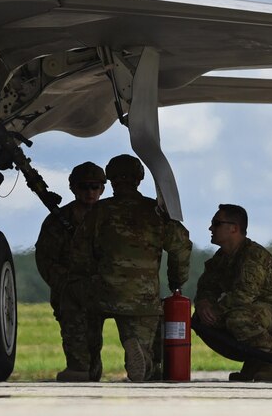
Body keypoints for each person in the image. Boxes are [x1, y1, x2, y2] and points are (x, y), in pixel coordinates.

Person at [68, 154, 192, 382]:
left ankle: (87, 365)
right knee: (145, 354)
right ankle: (137, 352)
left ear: (111, 181)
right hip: (143, 298)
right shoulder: (157, 213)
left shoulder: (99, 211)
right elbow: (181, 247)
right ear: (140, 178)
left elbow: (79, 253)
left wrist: (87, 279)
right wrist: (176, 280)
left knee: (78, 305)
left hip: (104, 292)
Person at [193, 204, 272, 382]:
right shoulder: (222, 258)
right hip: (254, 311)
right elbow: (207, 286)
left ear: (234, 228)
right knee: (200, 320)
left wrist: (216, 312)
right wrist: (204, 303)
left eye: (216, 223)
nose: (210, 228)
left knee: (238, 318)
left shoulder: (253, 257)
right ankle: (255, 360)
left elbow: (244, 296)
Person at [35, 162, 106, 382]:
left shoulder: (109, 218)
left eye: (95, 187)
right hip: (70, 291)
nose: (90, 192)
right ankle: (78, 369)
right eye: (84, 187)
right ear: (74, 188)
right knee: (75, 333)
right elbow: (46, 259)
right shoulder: (57, 221)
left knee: (93, 340)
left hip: (102, 287)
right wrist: (68, 285)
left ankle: (89, 372)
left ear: (103, 189)